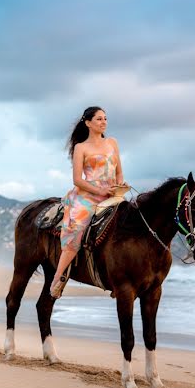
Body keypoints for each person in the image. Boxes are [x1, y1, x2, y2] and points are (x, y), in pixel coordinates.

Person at [50, 107, 125, 298]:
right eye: (99, 119)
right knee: (76, 229)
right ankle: (58, 278)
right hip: (88, 195)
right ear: (88, 123)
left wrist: (119, 185)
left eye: (105, 118)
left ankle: (120, 277)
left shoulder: (112, 142)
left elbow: (118, 172)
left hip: (112, 194)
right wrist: (99, 190)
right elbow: (77, 179)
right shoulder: (81, 147)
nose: (104, 122)